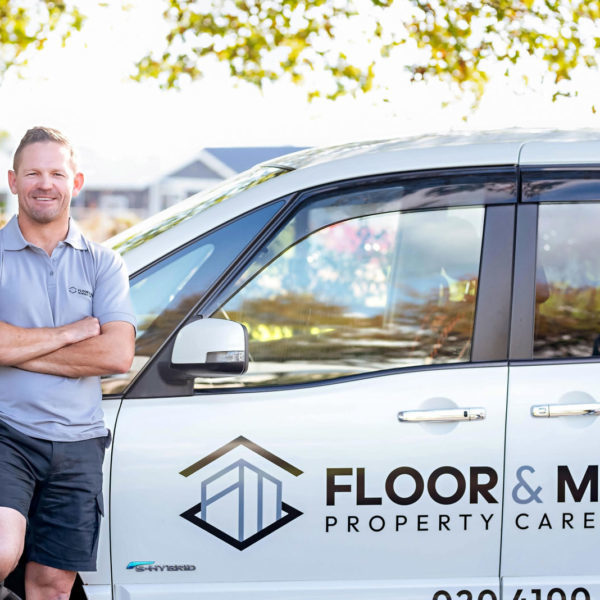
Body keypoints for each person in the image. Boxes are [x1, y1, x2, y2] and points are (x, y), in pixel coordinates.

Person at [0, 127, 136, 600]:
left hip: (78, 443)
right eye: (33, 172)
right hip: (7, 432)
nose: (45, 183)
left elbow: (117, 354)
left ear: (75, 182)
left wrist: (18, 350)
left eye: (56, 173)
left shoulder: (104, 264)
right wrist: (71, 334)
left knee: (53, 586)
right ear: (13, 180)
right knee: (0, 549)